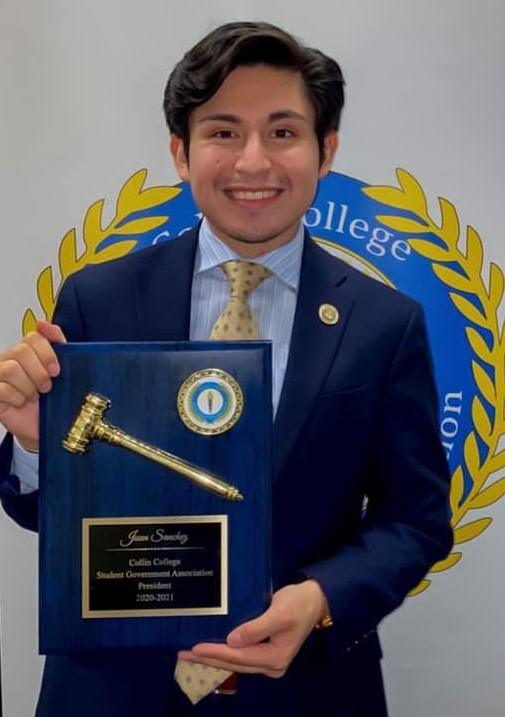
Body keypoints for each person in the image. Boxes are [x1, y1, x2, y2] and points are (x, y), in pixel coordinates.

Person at [0, 21, 452, 717]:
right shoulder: (98, 297)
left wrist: (321, 598)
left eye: (281, 132)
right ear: (180, 153)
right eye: (221, 132)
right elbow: (42, 512)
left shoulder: (384, 324)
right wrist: (34, 445)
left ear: (324, 150)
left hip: (306, 690)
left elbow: (415, 519)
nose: (252, 162)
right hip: (110, 690)